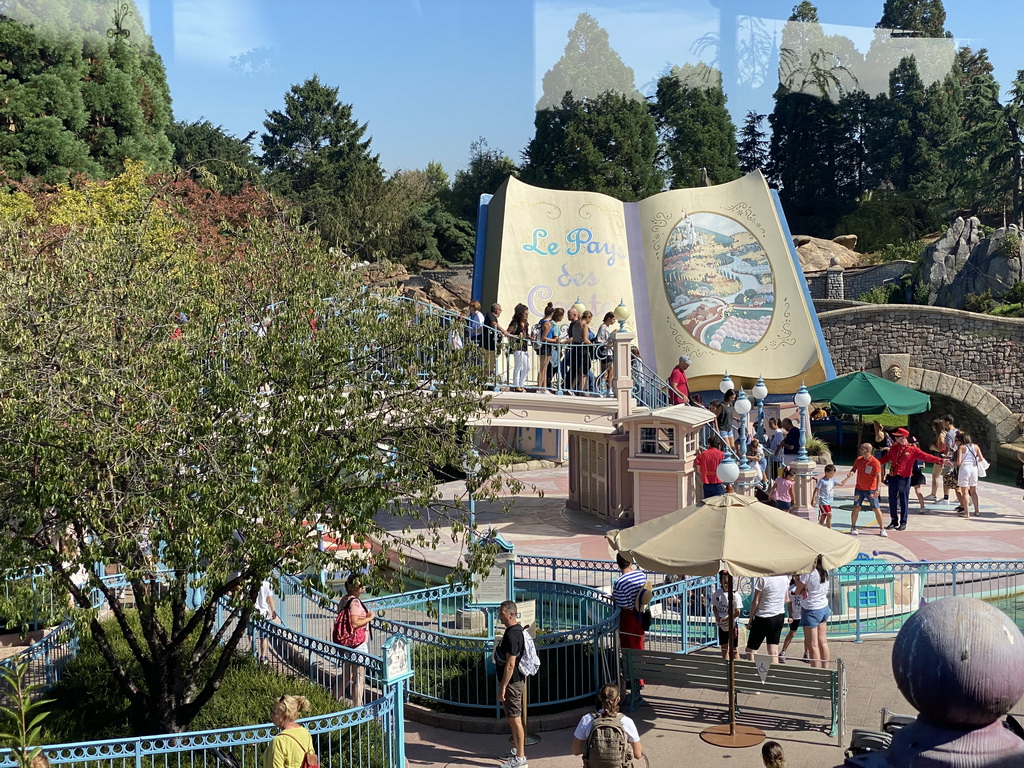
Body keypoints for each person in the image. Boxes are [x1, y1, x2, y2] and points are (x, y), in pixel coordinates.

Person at [880, 428, 943, 532]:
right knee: (892, 499)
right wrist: (874, 462)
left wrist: (940, 460)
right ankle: (893, 520)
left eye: (897, 436)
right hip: (893, 476)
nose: (895, 438)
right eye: (895, 436)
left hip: (904, 477)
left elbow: (926, 457)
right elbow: (887, 458)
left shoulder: (912, 449)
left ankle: (903, 522)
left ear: (903, 437)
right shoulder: (894, 448)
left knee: (904, 499)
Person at [571, 683, 643, 764]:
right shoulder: (626, 721)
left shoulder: (587, 719)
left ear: (599, 697)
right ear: (618, 699)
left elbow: (576, 750)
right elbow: (638, 754)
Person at [495, 600, 528, 768]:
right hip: (511, 683)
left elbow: (510, 664)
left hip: (512, 684)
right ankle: (516, 749)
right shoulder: (512, 631)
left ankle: (521, 759)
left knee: (515, 719)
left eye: (502, 615)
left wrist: (503, 687)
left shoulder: (512, 635)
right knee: (511, 718)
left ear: (511, 614)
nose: (500, 618)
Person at [338, 574, 375, 706]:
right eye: (360, 585)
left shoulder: (344, 600)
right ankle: (357, 707)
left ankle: (332, 699)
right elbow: (354, 623)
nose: (362, 587)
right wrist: (369, 618)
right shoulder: (355, 602)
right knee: (359, 677)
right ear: (352, 586)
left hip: (346, 642)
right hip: (357, 643)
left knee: (346, 675)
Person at [840, 443, 886, 537]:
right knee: (856, 507)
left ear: (868, 451)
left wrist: (878, 489)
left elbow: (878, 476)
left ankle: (882, 529)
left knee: (876, 509)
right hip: (859, 489)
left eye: (862, 448)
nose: (860, 450)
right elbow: (854, 468)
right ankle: (853, 527)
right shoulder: (859, 460)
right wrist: (851, 473)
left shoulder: (875, 462)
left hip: (871, 490)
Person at [796, 555, 831, 669]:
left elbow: (797, 590)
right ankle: (825, 669)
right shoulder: (826, 571)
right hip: (824, 607)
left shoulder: (809, 573)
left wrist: (797, 579)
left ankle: (816, 672)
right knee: (823, 641)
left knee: (813, 644)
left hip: (811, 609)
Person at [744, 574, 789, 663]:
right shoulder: (784, 577)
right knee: (773, 651)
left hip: (763, 616)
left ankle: (753, 673)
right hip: (779, 615)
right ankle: (773, 674)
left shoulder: (763, 578)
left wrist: (750, 619)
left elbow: (755, 601)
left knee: (750, 651)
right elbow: (786, 598)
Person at [263, 694, 314, 768]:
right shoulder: (305, 732)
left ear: (285, 716)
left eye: (274, 712)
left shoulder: (279, 742)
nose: (271, 715)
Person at [612, 553, 647, 651]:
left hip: (629, 617)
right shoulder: (641, 575)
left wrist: (614, 598)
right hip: (640, 613)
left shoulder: (619, 582)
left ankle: (631, 665)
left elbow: (624, 606)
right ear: (631, 562)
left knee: (628, 643)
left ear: (618, 564)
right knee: (639, 641)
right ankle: (641, 662)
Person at [954, 432, 986, 518]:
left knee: (964, 492)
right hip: (974, 469)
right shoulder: (976, 446)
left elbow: (958, 462)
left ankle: (966, 512)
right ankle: (977, 511)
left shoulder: (961, 447)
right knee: (973, 491)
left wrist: (952, 463)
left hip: (965, 469)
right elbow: (981, 458)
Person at [710, 570, 739, 659]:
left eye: (728, 582)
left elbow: (737, 612)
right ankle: (725, 665)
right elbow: (714, 607)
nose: (727, 585)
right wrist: (717, 616)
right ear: (721, 582)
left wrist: (728, 618)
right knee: (724, 648)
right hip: (721, 624)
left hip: (732, 624)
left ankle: (737, 666)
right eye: (725, 582)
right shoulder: (717, 594)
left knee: (734, 648)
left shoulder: (735, 595)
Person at [506, 305, 531, 392]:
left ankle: (521, 383)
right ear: (520, 314)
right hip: (517, 346)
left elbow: (526, 335)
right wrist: (517, 336)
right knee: (518, 366)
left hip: (524, 347)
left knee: (527, 367)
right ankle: (516, 385)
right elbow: (507, 333)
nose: (527, 316)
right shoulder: (514, 323)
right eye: (525, 314)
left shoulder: (526, 324)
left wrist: (530, 337)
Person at [779, 577, 802, 662]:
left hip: (804, 612)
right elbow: (789, 603)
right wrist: (790, 615)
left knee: (808, 634)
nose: (799, 577)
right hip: (796, 614)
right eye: (797, 576)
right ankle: (783, 651)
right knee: (792, 632)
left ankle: (807, 652)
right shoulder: (790, 588)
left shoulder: (804, 585)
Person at [256, 578, 279, 663]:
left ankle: (253, 651)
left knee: (251, 633)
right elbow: (270, 599)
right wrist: (273, 611)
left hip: (252, 612)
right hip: (263, 613)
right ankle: (263, 655)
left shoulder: (250, 583)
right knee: (263, 637)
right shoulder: (266, 584)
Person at [482, 303, 506, 377]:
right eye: (500, 310)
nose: (500, 312)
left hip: (492, 344)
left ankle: (489, 378)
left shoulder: (492, 316)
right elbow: (494, 324)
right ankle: (486, 379)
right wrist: (503, 331)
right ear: (496, 310)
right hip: (487, 344)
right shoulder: (490, 315)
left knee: (491, 363)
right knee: (488, 363)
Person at [941, 415, 960, 509]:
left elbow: (948, 448)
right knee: (958, 478)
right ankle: (961, 498)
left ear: (948, 422)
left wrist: (944, 458)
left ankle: (946, 498)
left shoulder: (948, 434)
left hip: (951, 459)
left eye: (943, 422)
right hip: (959, 459)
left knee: (946, 476)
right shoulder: (959, 431)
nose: (942, 424)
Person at [812, 464, 837, 529]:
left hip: (829, 501)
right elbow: (816, 489)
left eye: (833, 474)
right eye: (831, 474)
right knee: (829, 514)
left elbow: (841, 484)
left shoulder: (832, 480)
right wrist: (813, 499)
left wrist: (848, 477)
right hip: (823, 501)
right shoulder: (822, 481)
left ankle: (819, 527)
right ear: (826, 472)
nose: (832, 475)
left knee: (824, 515)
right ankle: (829, 529)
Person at [927, 418, 946, 500]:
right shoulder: (946, 433)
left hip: (939, 456)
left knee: (935, 475)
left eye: (933, 426)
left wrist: (933, 447)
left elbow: (940, 448)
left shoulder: (940, 435)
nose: (932, 428)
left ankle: (933, 494)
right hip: (944, 456)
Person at [909, 437, 928, 514]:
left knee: (905, 490)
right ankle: (922, 506)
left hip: (912, 473)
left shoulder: (911, 452)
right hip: (918, 473)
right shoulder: (920, 453)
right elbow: (923, 465)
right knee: (917, 491)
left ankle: (900, 504)